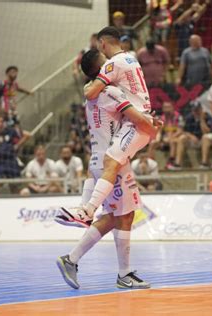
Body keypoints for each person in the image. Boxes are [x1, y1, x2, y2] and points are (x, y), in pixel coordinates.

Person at [55, 52, 153, 290]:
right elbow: (138, 120)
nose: (110, 62)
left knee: (113, 217)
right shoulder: (111, 92)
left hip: (98, 161)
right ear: (102, 68)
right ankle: (123, 274)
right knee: (126, 216)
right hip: (114, 162)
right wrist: (152, 123)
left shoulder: (93, 93)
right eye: (105, 60)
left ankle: (71, 258)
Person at [60, 27, 159, 228]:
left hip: (132, 125)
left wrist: (88, 85)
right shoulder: (131, 58)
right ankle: (84, 216)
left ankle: (86, 211)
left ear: (102, 43)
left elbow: (90, 92)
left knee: (109, 165)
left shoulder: (112, 66)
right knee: (123, 216)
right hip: (137, 119)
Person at [0, 114, 30, 194]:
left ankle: (15, 204)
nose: (0, 123)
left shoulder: (11, 131)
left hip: (11, 162)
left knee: (14, 187)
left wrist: (17, 145)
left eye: (2, 121)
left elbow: (27, 135)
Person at [149, 101, 185, 170]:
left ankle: (172, 162)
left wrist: (170, 137)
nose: (167, 109)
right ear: (162, 109)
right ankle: (151, 165)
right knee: (153, 143)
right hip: (164, 139)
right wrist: (158, 140)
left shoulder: (178, 117)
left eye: (168, 107)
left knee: (173, 141)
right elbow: (159, 131)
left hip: (175, 138)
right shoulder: (161, 118)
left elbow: (180, 130)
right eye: (165, 107)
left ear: (172, 108)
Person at [177, 102, 212, 169]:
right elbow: (184, 131)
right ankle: (177, 164)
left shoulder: (207, 116)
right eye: (194, 110)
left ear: (201, 109)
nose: (196, 112)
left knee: (205, 137)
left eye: (198, 110)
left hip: (205, 140)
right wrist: (191, 136)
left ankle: (204, 163)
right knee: (182, 138)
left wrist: (202, 120)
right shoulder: (189, 117)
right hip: (193, 140)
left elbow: (207, 131)